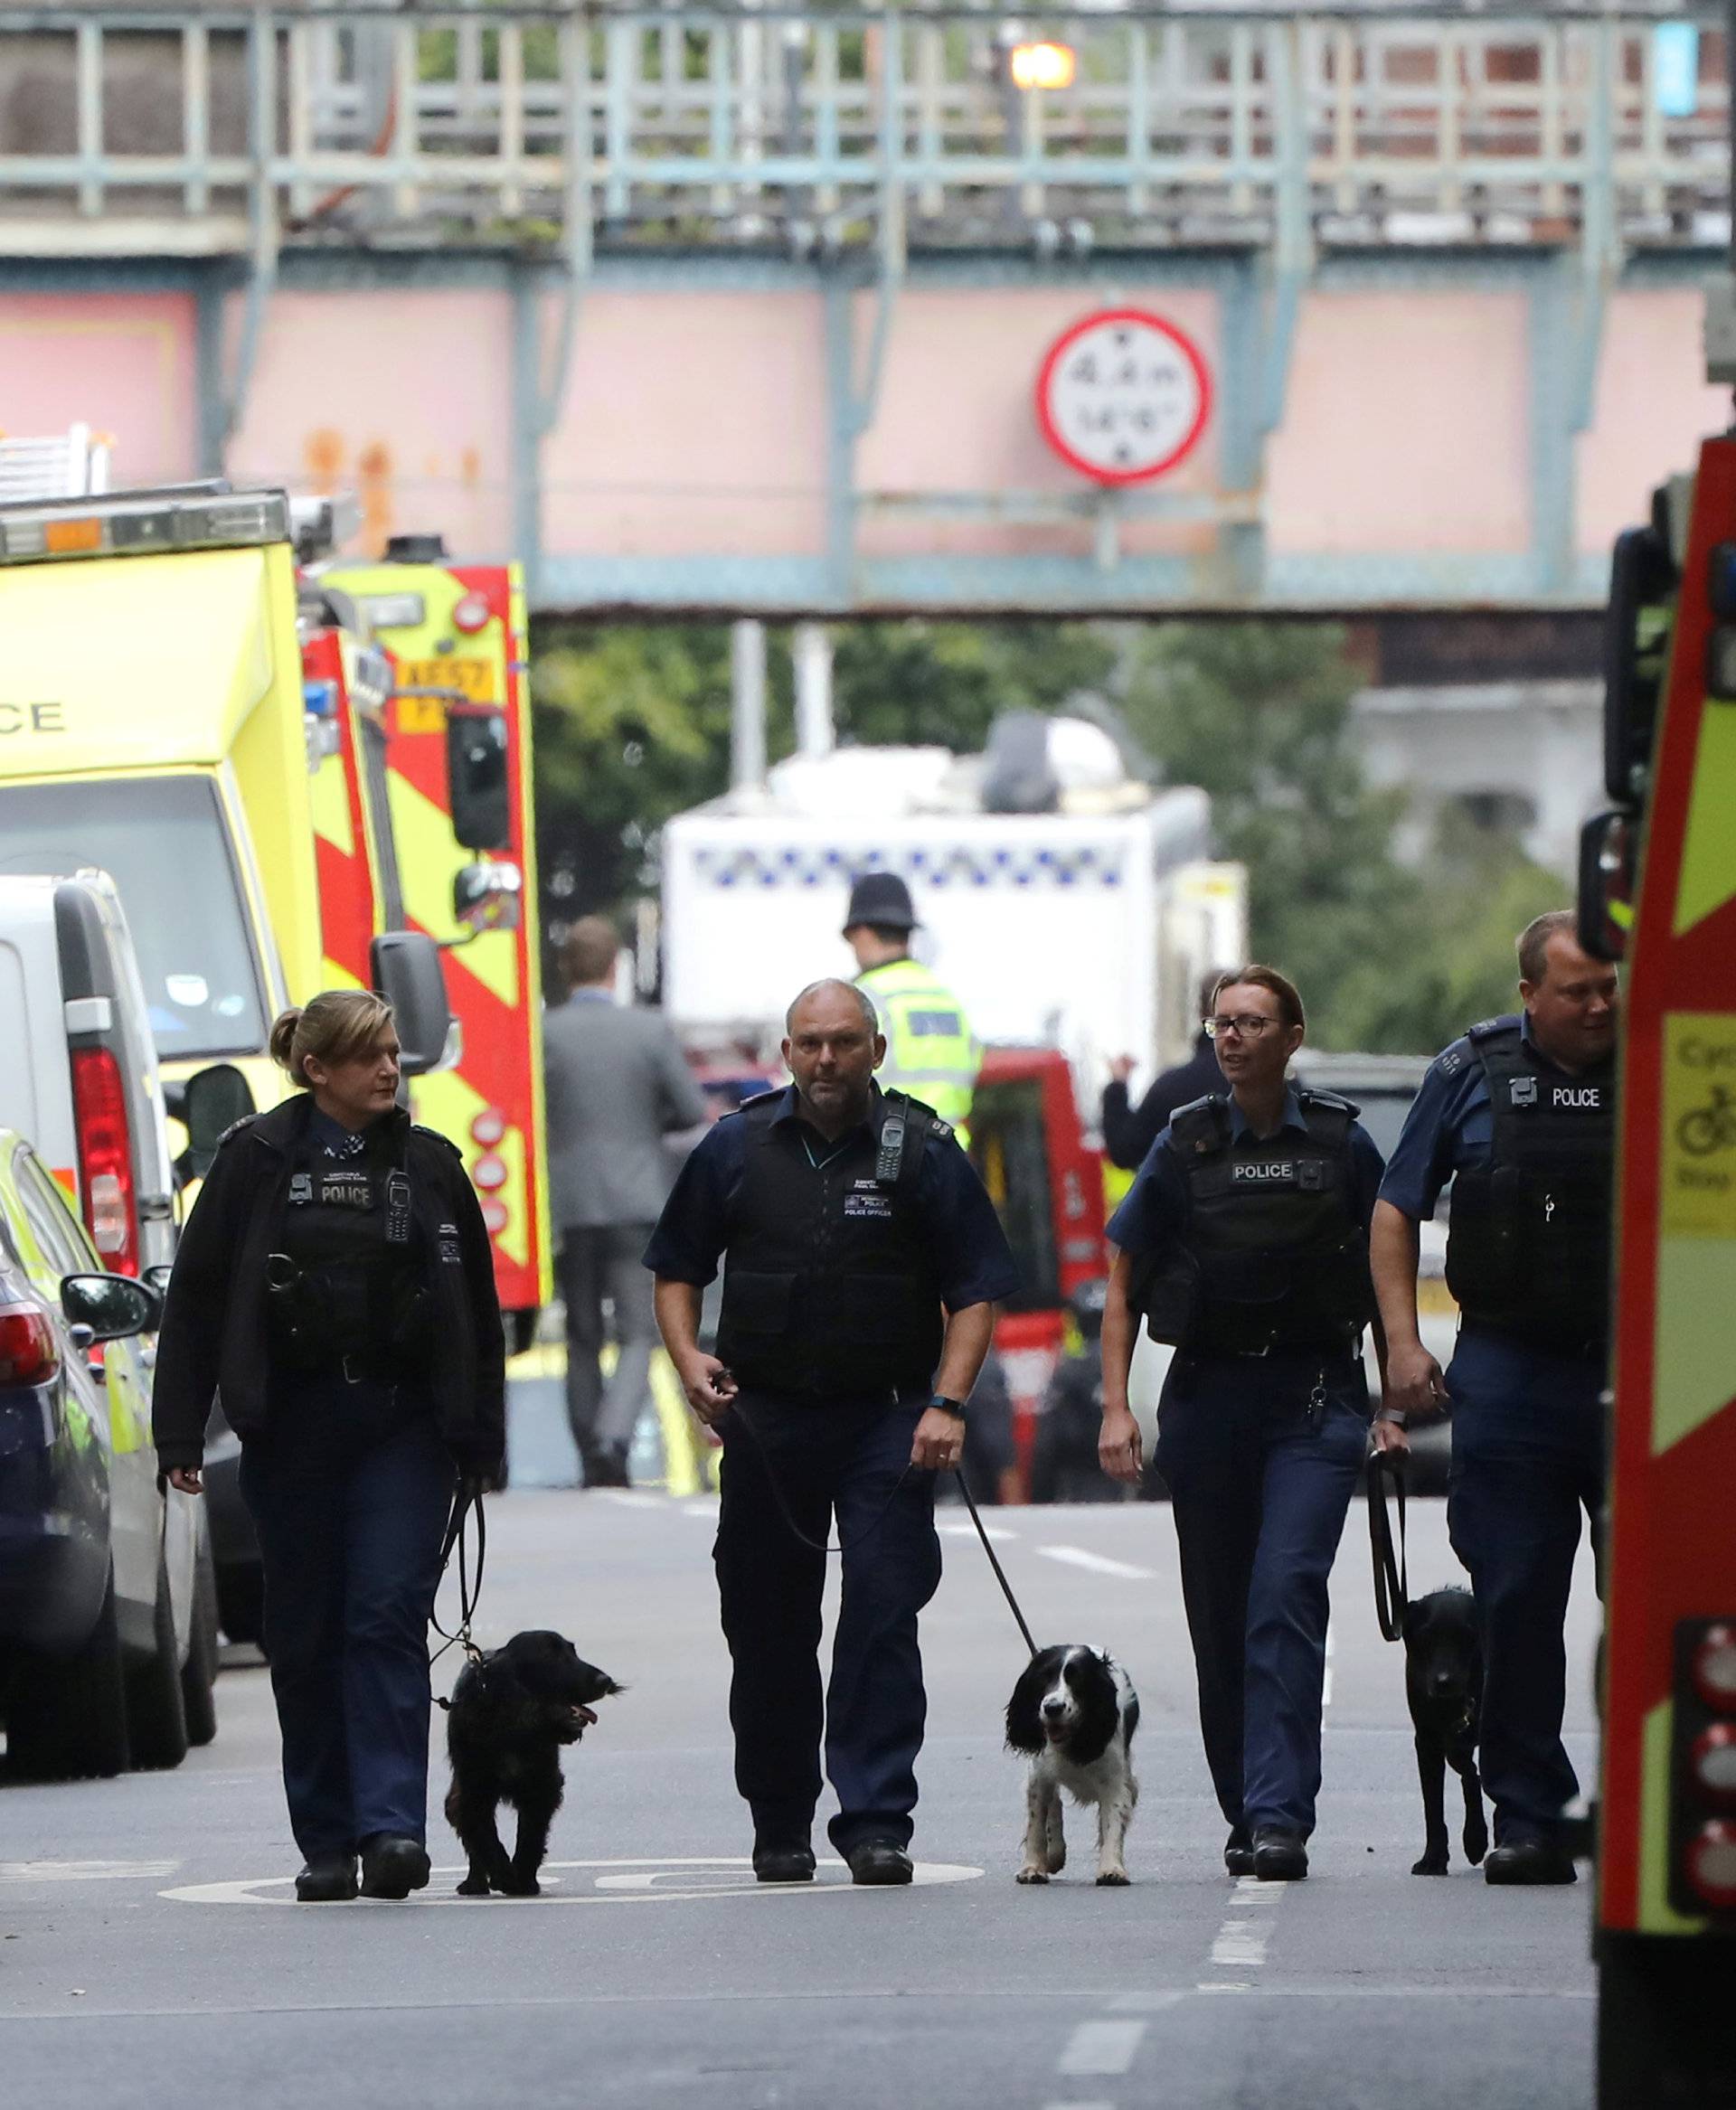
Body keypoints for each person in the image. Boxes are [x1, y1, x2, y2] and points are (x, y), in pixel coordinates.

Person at [646, 977, 1019, 1886]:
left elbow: (975, 1292)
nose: (826, 1060)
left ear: (875, 1052)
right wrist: (692, 1361)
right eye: (810, 1043)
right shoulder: (736, 1146)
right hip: (767, 1420)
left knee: (883, 1613)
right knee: (768, 1624)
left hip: (889, 1417)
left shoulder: (925, 1148)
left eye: (844, 1043)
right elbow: (677, 1269)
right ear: (785, 1053)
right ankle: (780, 1817)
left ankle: (876, 1820)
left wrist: (948, 1403)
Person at [152, 992, 505, 1904]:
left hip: (402, 1428)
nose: (391, 1069)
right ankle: (328, 1840)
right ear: (318, 1070)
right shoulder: (254, 1162)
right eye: (370, 1057)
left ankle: (392, 1828)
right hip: (293, 1427)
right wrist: (180, 1432)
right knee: (304, 1636)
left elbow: (475, 1313)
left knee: (384, 1618)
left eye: (394, 1053)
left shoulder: (430, 1167)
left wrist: (479, 1438)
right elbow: (194, 1303)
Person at [1097, 965, 1401, 1882]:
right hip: (1211, 1401)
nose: (1231, 1037)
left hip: (1313, 1399)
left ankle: (1279, 1815)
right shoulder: (1183, 1145)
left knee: (1286, 1596)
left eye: (1252, 1023)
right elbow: (1122, 1274)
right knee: (1222, 1617)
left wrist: (1394, 1396)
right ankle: (1246, 1805)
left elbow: (1388, 1265)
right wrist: (1115, 1406)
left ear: (1293, 1036)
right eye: (1221, 1023)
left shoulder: (1342, 1144)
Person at [1372, 909, 1618, 1887]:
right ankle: (1529, 1813)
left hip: (1647, 1375)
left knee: (1657, 1598)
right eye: (1577, 991)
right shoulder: (1470, 1072)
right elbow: (1394, 1207)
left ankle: (1658, 1797)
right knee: (1515, 1599)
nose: (1601, 1005)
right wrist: (1400, 1342)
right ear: (1529, 996)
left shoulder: (1672, 1058)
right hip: (1514, 1372)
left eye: (1610, 986)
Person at [543, 915, 709, 1487]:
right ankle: (615, 1439)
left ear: (566, 969)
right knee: (640, 1331)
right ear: (615, 966)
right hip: (638, 1199)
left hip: (568, 1205)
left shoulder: (544, 1034)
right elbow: (690, 1111)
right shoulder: (648, 1031)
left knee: (581, 1333)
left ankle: (589, 1449)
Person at [843, 871, 981, 1140]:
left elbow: (823, 1088)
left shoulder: (862, 1000)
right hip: (949, 1158)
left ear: (862, 932)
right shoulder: (947, 1000)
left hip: (887, 1161)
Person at [1101, 970, 1233, 1171]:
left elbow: (1125, 1150)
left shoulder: (1172, 1088)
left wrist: (1117, 1087)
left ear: (1200, 1012)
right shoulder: (1277, 1087)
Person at [1030, 1278, 1126, 1504]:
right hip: (1131, 1479)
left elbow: (1047, 1442)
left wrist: (1040, 1497)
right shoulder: (1140, 1363)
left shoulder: (1069, 1370)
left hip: (1081, 1483)